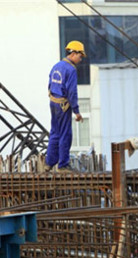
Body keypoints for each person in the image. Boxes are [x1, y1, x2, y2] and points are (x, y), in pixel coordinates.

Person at [45, 41, 86, 172]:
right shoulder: (71, 70)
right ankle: (63, 165)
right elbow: (72, 92)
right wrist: (77, 111)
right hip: (63, 105)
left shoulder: (57, 66)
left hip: (53, 102)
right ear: (73, 53)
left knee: (55, 132)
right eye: (80, 56)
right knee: (65, 134)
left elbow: (50, 82)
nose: (80, 60)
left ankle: (49, 163)